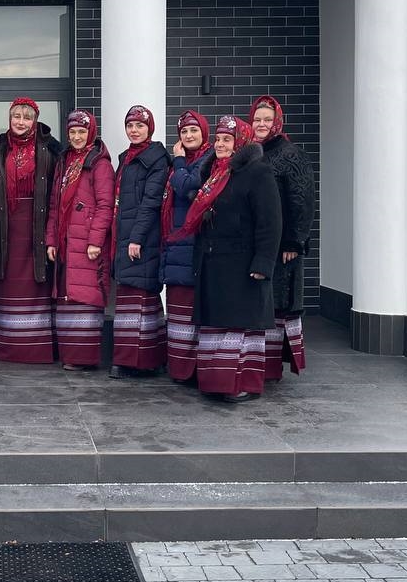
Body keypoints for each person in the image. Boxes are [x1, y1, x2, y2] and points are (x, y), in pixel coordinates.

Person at [172, 115, 281, 402]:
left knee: (240, 326)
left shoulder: (257, 172)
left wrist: (263, 262)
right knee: (218, 325)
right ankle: (217, 383)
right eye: (218, 139)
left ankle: (243, 384)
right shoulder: (215, 172)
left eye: (227, 140)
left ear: (240, 143)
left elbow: (270, 222)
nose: (220, 144)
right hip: (214, 263)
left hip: (243, 265)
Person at [0, 97, 61, 363]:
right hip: (6, 228)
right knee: (9, 285)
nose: (21, 122)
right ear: (9, 118)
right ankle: (8, 347)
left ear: (35, 121)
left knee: (37, 284)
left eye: (27, 118)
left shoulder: (51, 149)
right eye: (16, 116)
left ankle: (37, 349)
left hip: (38, 228)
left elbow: (57, 193)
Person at [249, 94, 315, 382]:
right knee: (261, 302)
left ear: (277, 121)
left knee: (278, 304)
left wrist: (293, 241)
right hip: (259, 242)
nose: (262, 124)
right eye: (257, 119)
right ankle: (257, 363)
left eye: (267, 119)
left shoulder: (290, 154)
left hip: (283, 248)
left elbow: (302, 200)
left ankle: (271, 367)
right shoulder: (252, 151)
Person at [46, 110, 114, 370]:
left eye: (81, 132)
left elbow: (106, 205)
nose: (76, 137)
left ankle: (83, 358)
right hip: (66, 240)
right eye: (72, 132)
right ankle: (70, 356)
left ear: (91, 133)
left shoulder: (99, 163)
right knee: (68, 297)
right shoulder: (65, 161)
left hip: (87, 242)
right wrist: (51, 240)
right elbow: (54, 205)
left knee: (85, 296)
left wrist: (95, 240)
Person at [110, 105, 171, 379]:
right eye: (130, 125)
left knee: (141, 297)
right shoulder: (127, 157)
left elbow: (150, 202)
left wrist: (136, 238)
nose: (134, 130)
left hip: (142, 239)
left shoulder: (156, 159)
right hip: (125, 235)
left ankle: (142, 361)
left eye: (140, 125)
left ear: (150, 128)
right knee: (128, 300)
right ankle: (131, 359)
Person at [160, 110, 212, 383]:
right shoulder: (183, 162)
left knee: (192, 310)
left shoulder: (208, 158)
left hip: (193, 243)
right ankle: (180, 370)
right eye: (184, 131)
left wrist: (178, 161)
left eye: (193, 130)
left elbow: (188, 185)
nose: (189, 136)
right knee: (178, 309)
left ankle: (193, 370)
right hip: (176, 241)